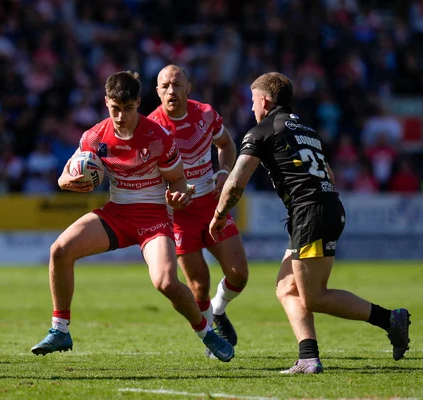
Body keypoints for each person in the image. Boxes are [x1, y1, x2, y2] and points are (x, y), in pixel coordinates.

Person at [209, 72, 411, 374]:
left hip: (309, 213)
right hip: (325, 207)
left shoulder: (260, 132)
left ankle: (389, 319)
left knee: (314, 296)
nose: (251, 108)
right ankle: (308, 356)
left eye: (253, 101)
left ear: (265, 100)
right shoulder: (306, 130)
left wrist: (219, 215)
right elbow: (327, 173)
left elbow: (236, 182)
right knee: (286, 287)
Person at [31, 71, 234, 362]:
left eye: (128, 108)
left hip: (153, 217)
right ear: (106, 103)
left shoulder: (158, 137)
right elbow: (65, 175)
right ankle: (60, 329)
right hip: (116, 212)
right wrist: (70, 183)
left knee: (165, 282)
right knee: (60, 251)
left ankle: (206, 332)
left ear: (138, 102)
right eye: (116, 108)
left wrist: (178, 194)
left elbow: (177, 179)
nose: (121, 116)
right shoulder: (95, 136)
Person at [148, 65, 248, 355]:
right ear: (157, 92)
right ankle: (211, 337)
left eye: (177, 84)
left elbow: (226, 144)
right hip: (178, 216)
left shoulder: (205, 114)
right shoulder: (152, 127)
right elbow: (149, 178)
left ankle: (218, 309)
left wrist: (224, 172)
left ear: (188, 87)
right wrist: (168, 198)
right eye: (164, 86)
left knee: (239, 275)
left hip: (212, 206)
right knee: (198, 285)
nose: (171, 91)